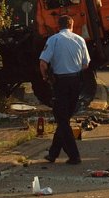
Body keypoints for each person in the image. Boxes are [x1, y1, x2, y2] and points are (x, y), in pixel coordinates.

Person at [39, 15, 91, 165]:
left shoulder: (53, 40)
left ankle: (74, 155)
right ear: (71, 25)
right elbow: (85, 64)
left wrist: (46, 78)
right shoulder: (80, 40)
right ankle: (53, 154)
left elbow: (43, 63)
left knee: (61, 120)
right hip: (75, 82)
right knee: (64, 118)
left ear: (58, 25)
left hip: (60, 82)